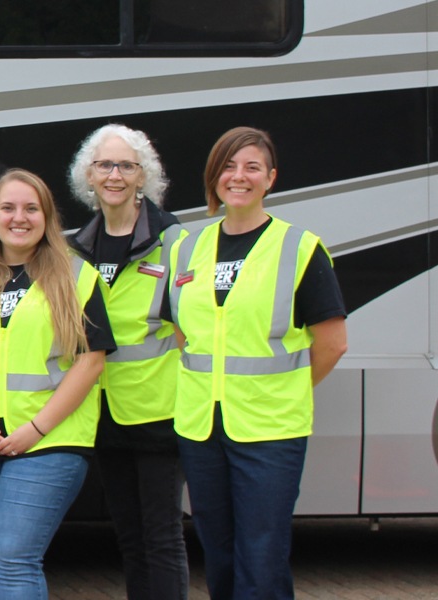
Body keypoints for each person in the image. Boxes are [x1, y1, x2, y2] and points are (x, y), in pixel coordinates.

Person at [171, 127, 347, 599]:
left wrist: (284, 389)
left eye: (251, 167)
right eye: (228, 166)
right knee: (219, 550)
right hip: (201, 427)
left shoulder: (300, 248)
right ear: (214, 177)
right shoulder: (188, 248)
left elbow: (332, 343)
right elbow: (183, 331)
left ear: (270, 179)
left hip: (270, 431)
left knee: (262, 552)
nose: (238, 176)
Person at [0, 169, 114, 599]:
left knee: (13, 561)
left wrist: (36, 429)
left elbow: (90, 364)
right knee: (6, 561)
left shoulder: (77, 276)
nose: (19, 217)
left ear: (47, 217)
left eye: (31, 208)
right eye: (8, 208)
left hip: (49, 442)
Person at [62, 124, 189, 600]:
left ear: (144, 177)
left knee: (161, 538)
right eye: (104, 165)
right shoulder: (75, 247)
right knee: (130, 539)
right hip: (101, 412)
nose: (114, 175)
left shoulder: (174, 241)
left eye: (126, 166)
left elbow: (189, 329)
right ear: (88, 178)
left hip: (159, 411)